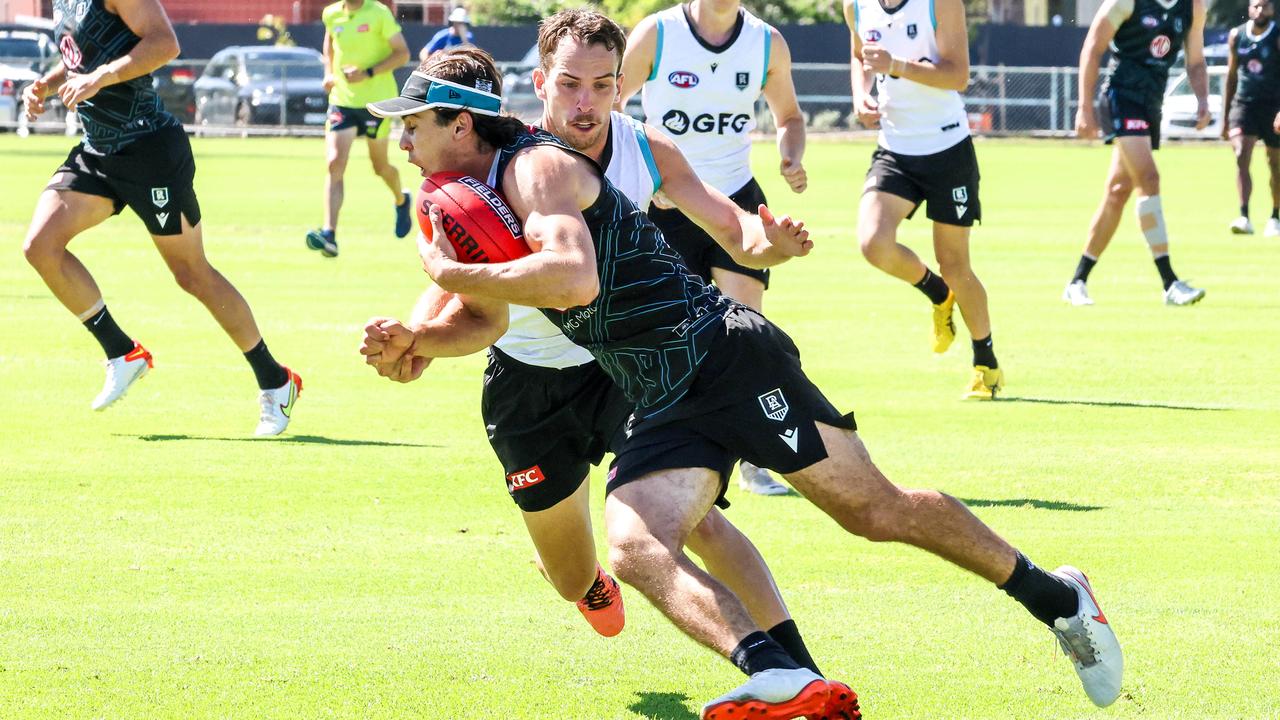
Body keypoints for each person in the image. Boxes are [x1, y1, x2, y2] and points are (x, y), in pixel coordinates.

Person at [370, 47, 1123, 717]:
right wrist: (423, 330)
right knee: (633, 546)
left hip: (726, 357)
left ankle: (1058, 599)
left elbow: (571, 277)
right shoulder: (482, 196)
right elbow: (492, 310)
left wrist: (447, 270)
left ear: (459, 126)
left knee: (873, 511)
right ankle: (776, 673)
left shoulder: (537, 169)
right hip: (664, 392)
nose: (402, 141)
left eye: (413, 126)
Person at [361, 15, 859, 717]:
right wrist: (416, 337)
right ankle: (592, 580)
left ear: (622, 87)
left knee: (698, 521)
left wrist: (770, 243)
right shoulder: (489, 171)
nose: (584, 102)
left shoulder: (639, 150)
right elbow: (470, 299)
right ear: (541, 85)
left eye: (600, 84)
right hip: (528, 386)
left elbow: (734, 229)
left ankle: (801, 675)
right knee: (570, 578)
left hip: (627, 366)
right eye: (568, 84)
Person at [20, 0, 301, 436]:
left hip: (149, 150)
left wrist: (102, 78)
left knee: (191, 275)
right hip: (99, 152)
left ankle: (275, 381)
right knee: (40, 246)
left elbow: (165, 44)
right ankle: (122, 353)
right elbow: (83, 57)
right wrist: (48, 83)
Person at [618, 0, 807, 494]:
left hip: (738, 203)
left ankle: (756, 458)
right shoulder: (656, 34)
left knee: (746, 333)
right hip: (667, 203)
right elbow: (610, 103)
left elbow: (789, 116)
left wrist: (790, 155)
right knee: (671, 339)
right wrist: (638, 167)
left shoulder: (768, 43)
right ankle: (669, 452)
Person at [844, 0, 1003, 400]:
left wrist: (896, 65)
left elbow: (958, 74)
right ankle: (937, 294)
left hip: (947, 147)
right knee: (872, 243)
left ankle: (986, 364)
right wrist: (862, 95)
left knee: (955, 264)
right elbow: (859, 55)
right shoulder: (855, 5)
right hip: (895, 148)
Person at [1066, 0, 1209, 306]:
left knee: (1118, 191)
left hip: (1150, 102)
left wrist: (1203, 100)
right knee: (1149, 177)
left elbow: (1195, 61)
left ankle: (1077, 280)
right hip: (1121, 95)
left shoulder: (1193, 7)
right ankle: (1170, 282)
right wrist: (1083, 108)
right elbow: (1092, 48)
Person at [306, 0, 413, 258]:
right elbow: (330, 44)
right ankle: (330, 234)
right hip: (342, 101)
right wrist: (328, 72)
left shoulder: (378, 13)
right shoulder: (331, 14)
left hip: (376, 103)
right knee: (334, 163)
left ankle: (401, 199)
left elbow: (402, 54)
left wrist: (368, 72)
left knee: (380, 167)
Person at [1222, 0, 1280, 236]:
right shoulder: (1236, 36)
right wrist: (1225, 116)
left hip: (1273, 106)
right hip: (1244, 104)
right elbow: (1231, 74)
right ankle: (1244, 216)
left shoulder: (1277, 35)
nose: (1259, 10)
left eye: (1264, 6)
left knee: (1275, 164)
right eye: (1255, 6)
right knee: (1240, 155)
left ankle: (1275, 216)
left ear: (1272, 10)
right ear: (1249, 9)